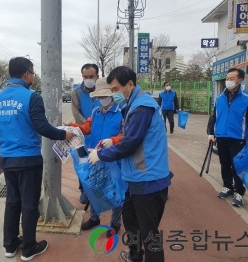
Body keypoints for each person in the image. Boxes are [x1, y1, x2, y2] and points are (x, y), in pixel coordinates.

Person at [0, 57, 74, 261]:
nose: (33, 76)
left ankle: (10, 245)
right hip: (28, 160)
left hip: (7, 160)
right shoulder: (31, 97)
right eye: (32, 73)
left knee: (12, 202)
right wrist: (64, 135)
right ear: (26, 74)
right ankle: (29, 248)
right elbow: (42, 127)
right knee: (29, 204)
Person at [88, 66, 171, 262]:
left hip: (148, 179)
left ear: (130, 84)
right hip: (135, 177)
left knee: (150, 233)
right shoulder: (134, 105)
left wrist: (101, 154)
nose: (114, 94)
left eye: (116, 89)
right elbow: (129, 138)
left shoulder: (142, 107)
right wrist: (112, 143)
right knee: (131, 220)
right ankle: (135, 255)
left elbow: (130, 143)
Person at [65, 78, 123, 237]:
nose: (101, 99)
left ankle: (115, 223)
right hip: (96, 156)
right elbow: (87, 128)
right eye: (98, 97)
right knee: (93, 187)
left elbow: (126, 135)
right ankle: (94, 217)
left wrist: (114, 140)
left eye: (103, 96)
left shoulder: (122, 112)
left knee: (116, 192)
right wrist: (71, 127)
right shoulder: (96, 112)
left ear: (112, 94)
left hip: (115, 158)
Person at [208, 67, 248, 208]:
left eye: (231, 79)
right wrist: (211, 132)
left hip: (238, 138)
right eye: (227, 79)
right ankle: (227, 186)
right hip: (221, 136)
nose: (228, 81)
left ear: (240, 80)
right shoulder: (219, 97)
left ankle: (239, 192)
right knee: (224, 164)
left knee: (238, 166)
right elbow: (214, 116)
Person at [71, 63, 100, 204]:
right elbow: (76, 113)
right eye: (85, 76)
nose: (88, 79)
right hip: (82, 135)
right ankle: (83, 190)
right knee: (82, 163)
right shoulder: (76, 92)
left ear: (97, 76)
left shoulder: (103, 91)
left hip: (100, 135)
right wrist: (89, 125)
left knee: (99, 163)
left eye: (91, 76)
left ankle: (99, 189)